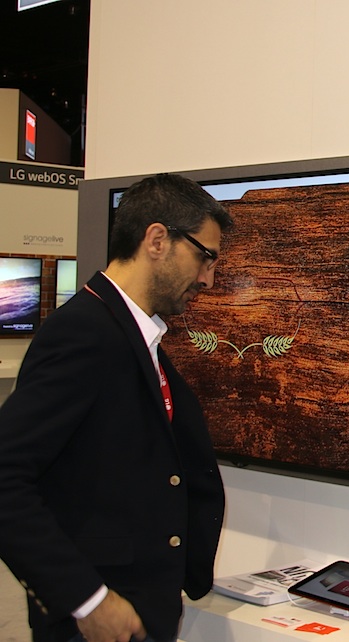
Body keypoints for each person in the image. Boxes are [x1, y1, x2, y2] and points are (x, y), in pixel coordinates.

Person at [0, 173, 234, 642]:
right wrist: (87, 600)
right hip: (97, 621)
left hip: (136, 608)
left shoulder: (133, 334)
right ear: (157, 240)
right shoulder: (85, 332)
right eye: (204, 256)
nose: (207, 278)